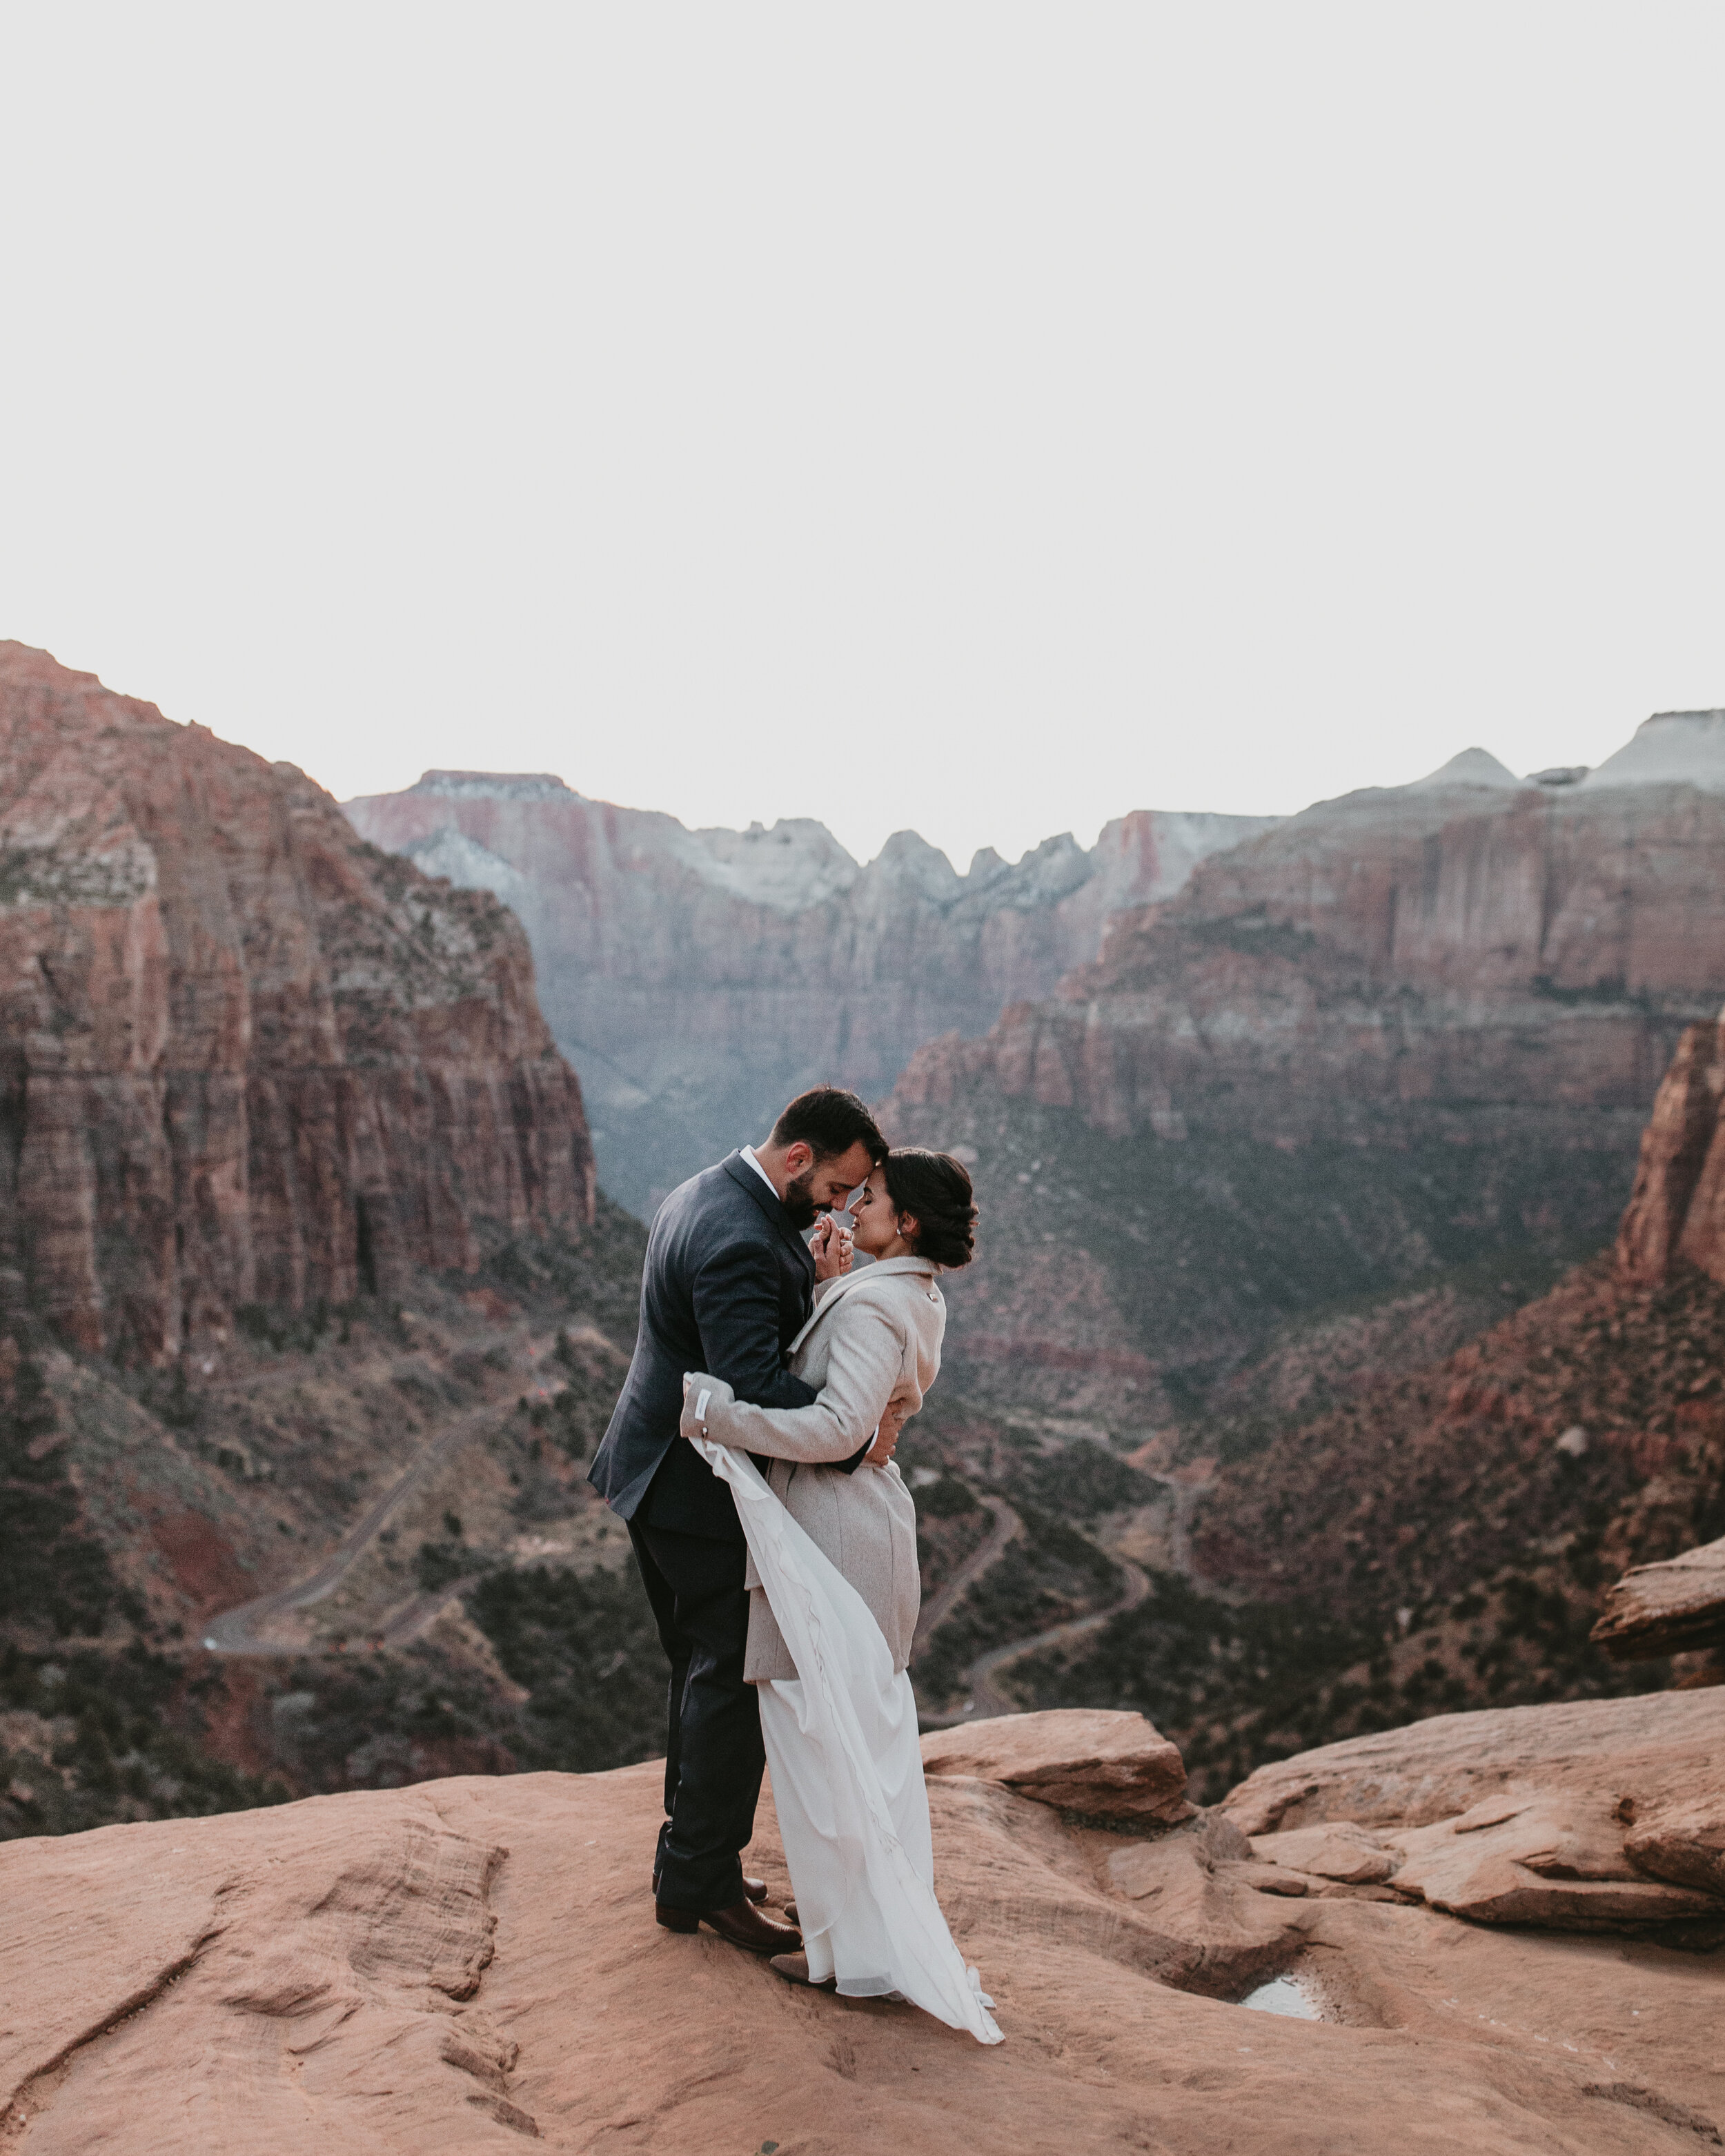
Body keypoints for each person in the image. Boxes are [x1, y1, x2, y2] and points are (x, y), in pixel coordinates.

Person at [679, 1147, 1003, 2043]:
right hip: (860, 1533)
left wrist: (709, 1412)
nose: (854, 1205)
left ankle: (853, 1956)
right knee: (851, 1750)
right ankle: (853, 1945)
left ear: (905, 1225)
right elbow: (859, 1396)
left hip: (833, 1542)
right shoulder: (913, 1292)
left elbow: (835, 1428)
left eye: (874, 1199)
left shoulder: (880, 1303)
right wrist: (829, 1287)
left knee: (826, 1757)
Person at [587, 1087, 905, 1956]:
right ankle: (703, 1885)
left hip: (650, 1474)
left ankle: (688, 1860)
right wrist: (855, 1433)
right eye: (838, 1185)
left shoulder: (702, 1189)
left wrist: (815, 1276)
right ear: (798, 1156)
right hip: (693, 1495)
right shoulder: (738, 1238)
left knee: (699, 1670)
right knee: (730, 1682)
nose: (840, 1204)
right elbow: (754, 1387)